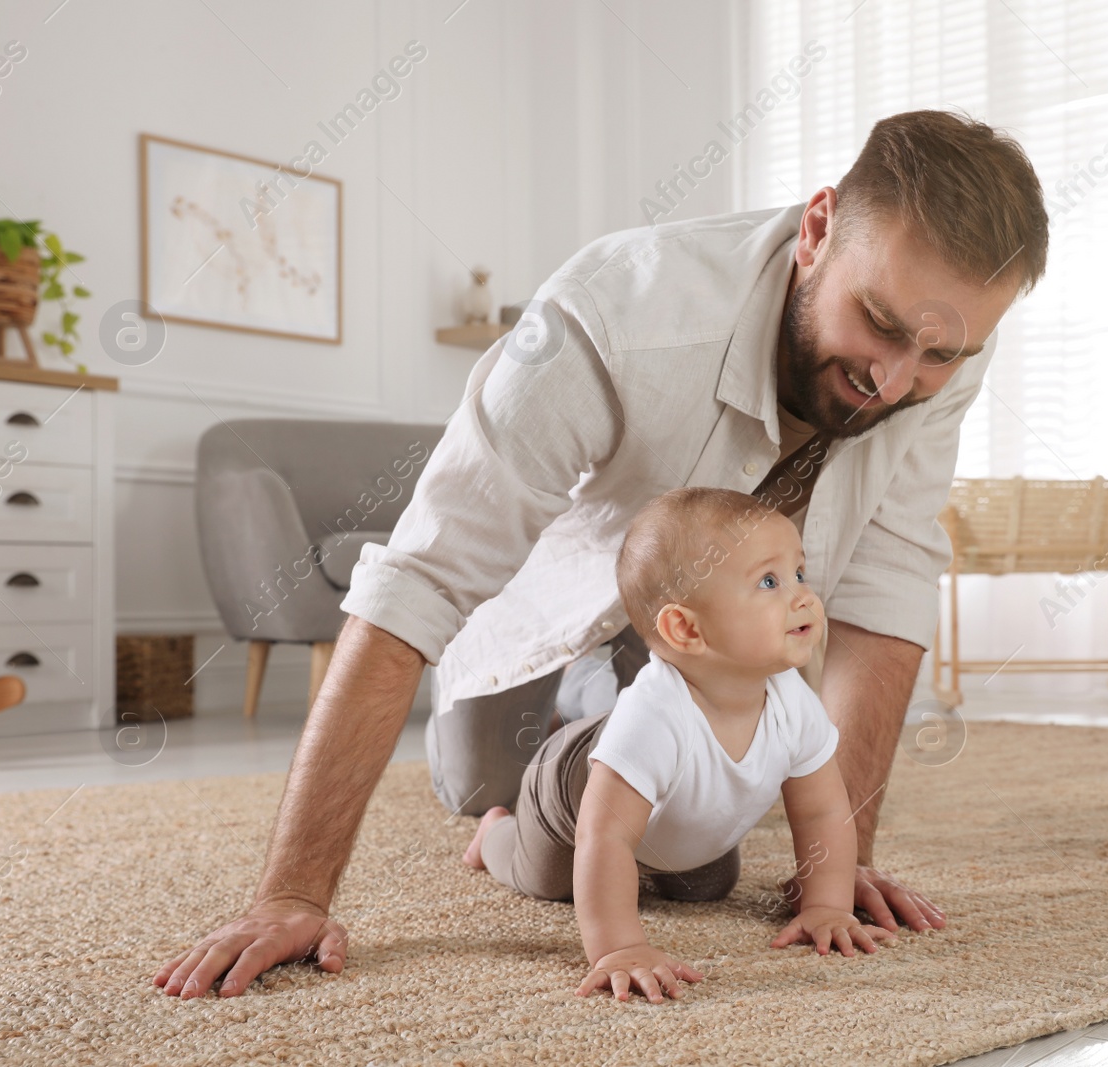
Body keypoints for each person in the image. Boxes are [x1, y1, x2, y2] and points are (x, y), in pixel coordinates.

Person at [153, 107, 1049, 1000]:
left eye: (938, 353)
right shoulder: (615, 312)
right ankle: (502, 812)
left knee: (704, 856)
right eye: (879, 324)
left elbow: (887, 584)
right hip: (542, 645)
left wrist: (836, 860)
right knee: (502, 788)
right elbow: (421, 575)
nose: (896, 379)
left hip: (724, 634)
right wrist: (291, 893)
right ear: (817, 229)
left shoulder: (947, 335)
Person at [464, 486, 898, 1002]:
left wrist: (827, 905)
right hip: (566, 793)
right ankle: (495, 831)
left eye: (799, 574)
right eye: (769, 581)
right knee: (548, 880)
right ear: (685, 628)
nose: (803, 595)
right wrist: (618, 948)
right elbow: (605, 839)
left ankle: (653, 846)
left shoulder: (791, 698)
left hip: (675, 821)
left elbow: (824, 813)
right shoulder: (654, 718)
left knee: (710, 886)